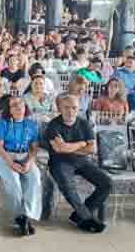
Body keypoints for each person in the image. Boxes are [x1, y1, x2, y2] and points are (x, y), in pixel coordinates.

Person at [44, 94, 110, 233]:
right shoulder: (53, 125)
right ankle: (86, 219)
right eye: (66, 108)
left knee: (106, 183)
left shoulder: (84, 123)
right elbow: (60, 149)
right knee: (68, 187)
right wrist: (82, 143)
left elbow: (92, 149)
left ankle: (79, 214)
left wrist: (69, 147)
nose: (70, 111)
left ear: (78, 109)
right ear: (60, 108)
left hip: (82, 162)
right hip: (59, 162)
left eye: (74, 108)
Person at [0, 96, 41, 236]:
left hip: (25, 156)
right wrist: (11, 163)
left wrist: (29, 162)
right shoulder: (4, 123)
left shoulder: (31, 124)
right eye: (14, 105)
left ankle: (26, 216)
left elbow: (34, 147)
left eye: (20, 104)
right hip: (6, 156)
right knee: (14, 183)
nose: (18, 107)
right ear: (9, 110)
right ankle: (18, 218)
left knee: (35, 179)